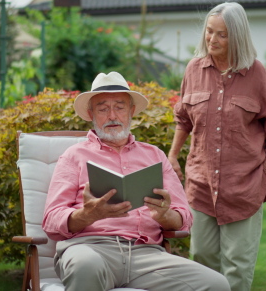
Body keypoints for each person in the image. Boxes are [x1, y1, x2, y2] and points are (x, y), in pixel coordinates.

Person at [43, 71, 231, 291]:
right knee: (86, 266)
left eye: (120, 107)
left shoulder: (155, 156)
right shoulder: (74, 156)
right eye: (103, 109)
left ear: (131, 111)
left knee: (216, 285)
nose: (112, 115)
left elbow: (185, 218)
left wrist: (165, 215)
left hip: (146, 255)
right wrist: (88, 214)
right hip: (90, 248)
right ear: (90, 113)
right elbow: (51, 220)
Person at [168, 2, 266, 291]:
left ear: (237, 36)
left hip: (244, 189)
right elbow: (183, 119)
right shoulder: (194, 69)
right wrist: (173, 155)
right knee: (201, 263)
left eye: (222, 34)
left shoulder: (257, 74)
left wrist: (263, 175)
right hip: (200, 188)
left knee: (237, 269)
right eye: (209, 32)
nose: (212, 40)